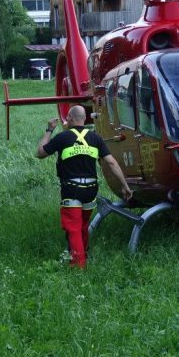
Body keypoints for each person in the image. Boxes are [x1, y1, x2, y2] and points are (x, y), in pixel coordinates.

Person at [36, 105, 132, 268]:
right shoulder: (96, 138)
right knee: (82, 225)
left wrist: (49, 130)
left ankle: (79, 266)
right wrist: (125, 186)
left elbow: (40, 153)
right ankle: (83, 253)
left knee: (73, 228)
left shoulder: (63, 137)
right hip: (91, 190)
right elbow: (111, 162)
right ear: (85, 119)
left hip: (71, 189)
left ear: (70, 118)